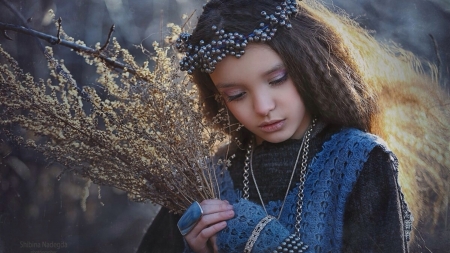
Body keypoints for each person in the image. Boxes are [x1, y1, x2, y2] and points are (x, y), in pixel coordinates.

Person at [138, 0, 417, 252]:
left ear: (308, 65)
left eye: (277, 79)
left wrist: (275, 245)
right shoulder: (208, 178)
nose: (262, 107)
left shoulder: (359, 159)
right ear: (220, 100)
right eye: (236, 95)